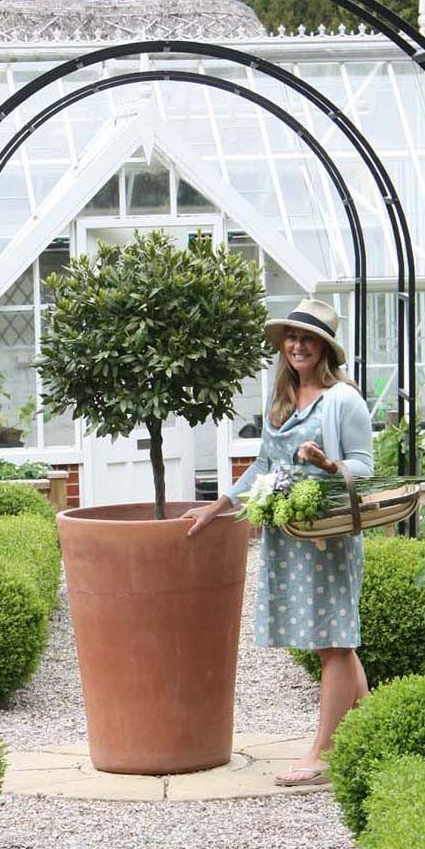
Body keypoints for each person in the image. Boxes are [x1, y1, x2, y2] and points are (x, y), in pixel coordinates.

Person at [180, 297, 373, 787]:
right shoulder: (281, 401)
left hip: (326, 537)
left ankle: (323, 754)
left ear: (325, 349)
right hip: (290, 539)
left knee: (334, 642)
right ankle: (370, 734)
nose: (298, 346)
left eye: (308, 339)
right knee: (333, 642)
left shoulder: (344, 401)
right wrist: (216, 507)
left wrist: (329, 467)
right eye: (292, 337)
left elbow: (366, 468)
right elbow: (265, 468)